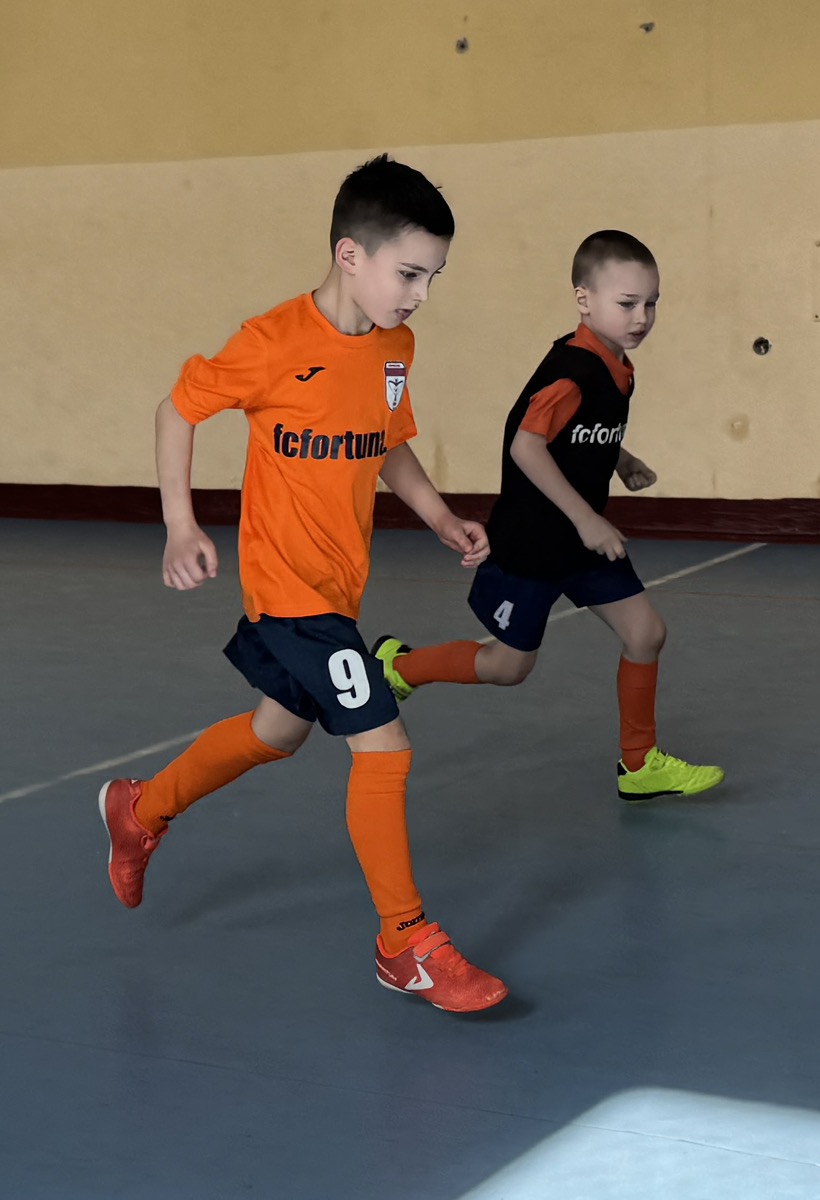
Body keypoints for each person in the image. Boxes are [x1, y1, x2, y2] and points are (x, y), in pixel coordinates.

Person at [97, 155, 507, 1013]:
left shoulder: (393, 346)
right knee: (384, 746)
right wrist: (180, 523)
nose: (421, 294)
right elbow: (178, 409)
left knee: (274, 732)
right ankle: (404, 943)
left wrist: (439, 516)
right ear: (350, 255)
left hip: (337, 584)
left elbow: (385, 438)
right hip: (288, 594)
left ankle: (142, 809)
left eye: (433, 277)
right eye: (409, 274)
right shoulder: (273, 342)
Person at [372, 230, 723, 801]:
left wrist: (621, 460)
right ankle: (399, 668)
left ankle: (640, 765)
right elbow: (527, 446)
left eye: (651, 303)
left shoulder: (617, 365)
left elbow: (578, 433)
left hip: (579, 545)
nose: (641, 317)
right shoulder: (571, 371)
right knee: (509, 668)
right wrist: (587, 519)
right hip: (532, 545)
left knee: (646, 633)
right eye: (627, 303)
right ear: (584, 299)